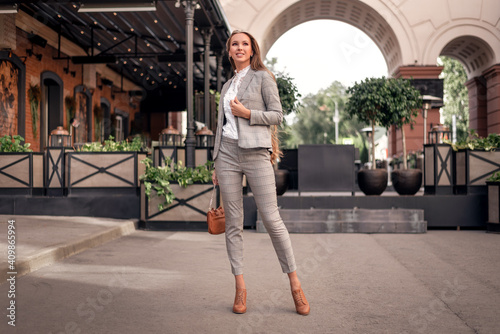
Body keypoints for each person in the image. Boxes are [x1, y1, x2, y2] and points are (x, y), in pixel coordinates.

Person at [211, 30, 310, 316]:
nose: (240, 48)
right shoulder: (227, 85)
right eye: (234, 44)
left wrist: (247, 114)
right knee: (234, 222)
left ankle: (295, 284)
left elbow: (277, 115)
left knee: (271, 219)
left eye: (245, 44)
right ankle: (240, 288)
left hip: (256, 154)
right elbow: (220, 127)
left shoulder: (263, 77)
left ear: (252, 50)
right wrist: (215, 162)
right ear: (229, 51)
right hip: (226, 155)